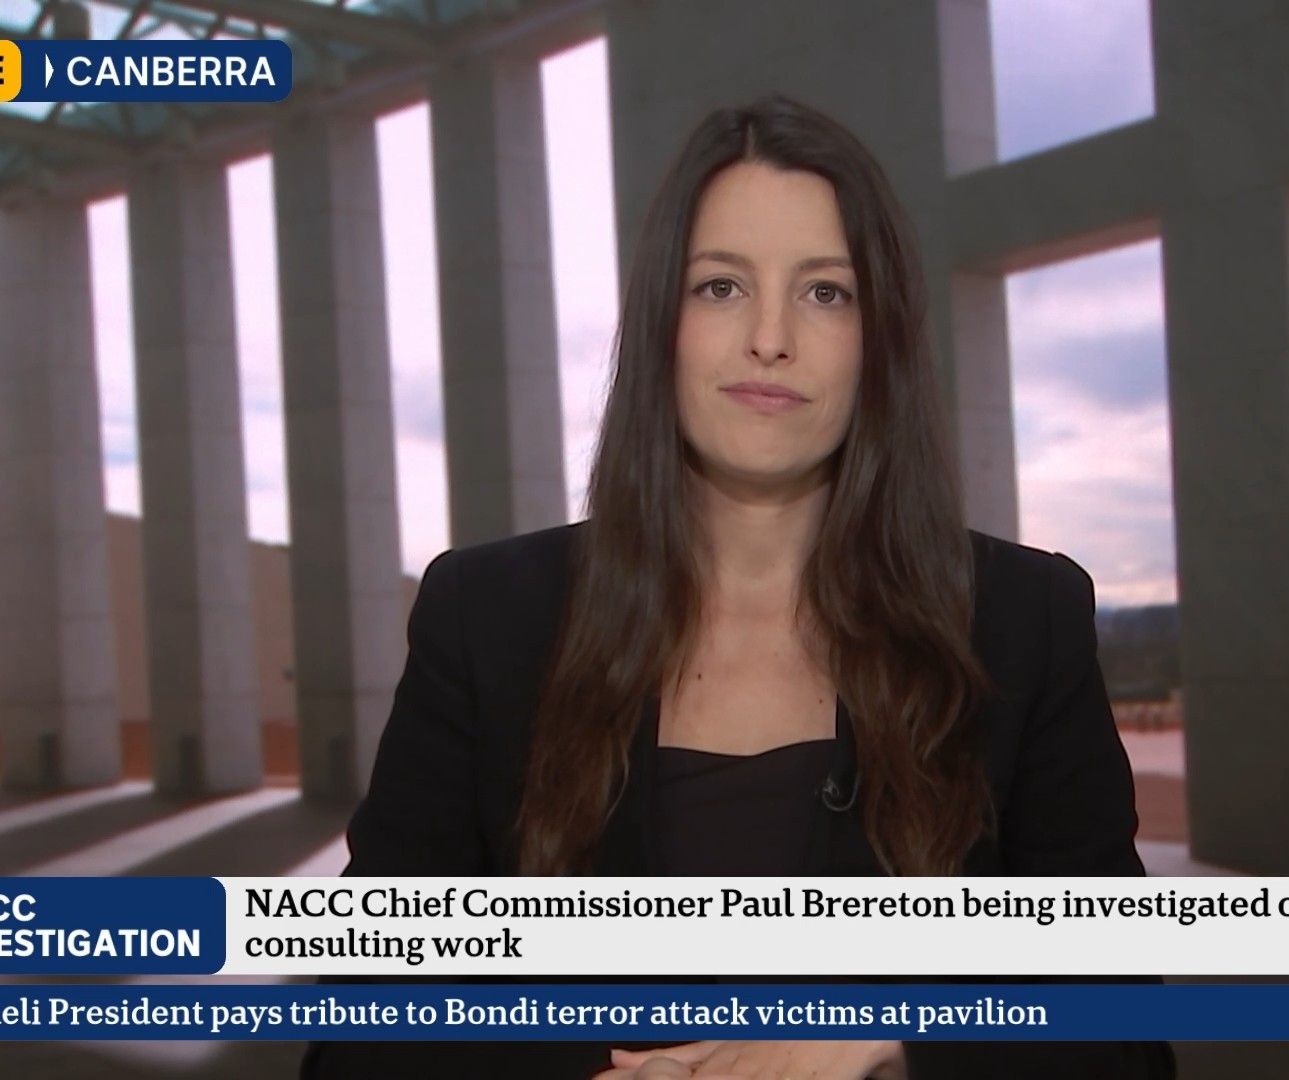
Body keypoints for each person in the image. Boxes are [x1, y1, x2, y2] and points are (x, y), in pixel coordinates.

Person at [301, 93, 1174, 1079]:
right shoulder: (485, 616)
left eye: (826, 292)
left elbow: (1124, 1042)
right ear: (660, 324)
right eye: (720, 286)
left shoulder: (1023, 620)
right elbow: (361, 1034)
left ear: (879, 339)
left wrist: (894, 1041)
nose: (770, 336)